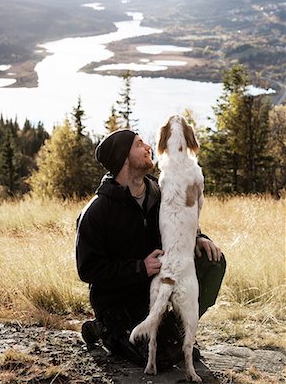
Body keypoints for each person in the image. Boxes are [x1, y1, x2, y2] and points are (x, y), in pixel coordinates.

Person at [76, 129, 226, 368]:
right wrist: (139, 268)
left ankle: (175, 331)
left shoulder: (160, 192)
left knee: (212, 261)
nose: (148, 147)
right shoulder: (96, 212)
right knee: (161, 359)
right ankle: (104, 329)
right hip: (118, 300)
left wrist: (197, 238)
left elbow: (180, 221)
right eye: (139, 144)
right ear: (124, 158)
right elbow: (89, 269)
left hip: (154, 289)